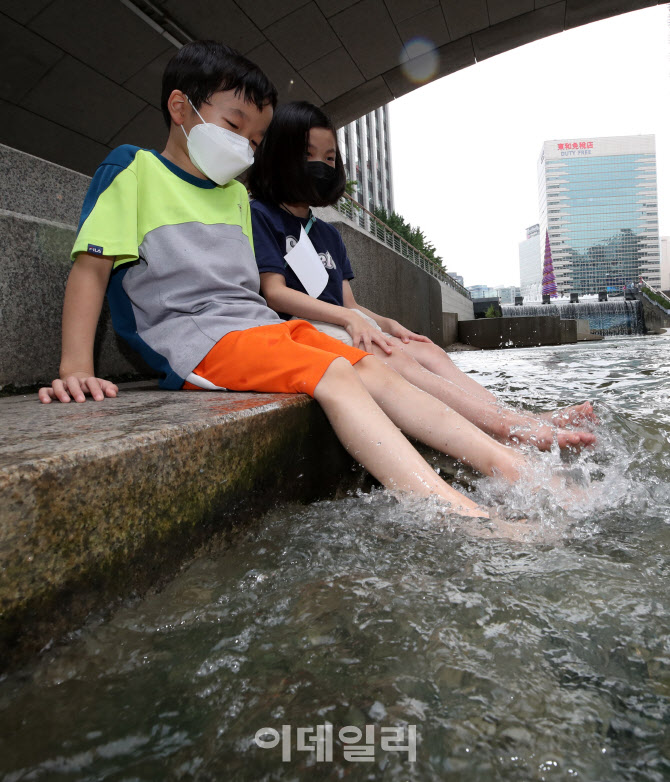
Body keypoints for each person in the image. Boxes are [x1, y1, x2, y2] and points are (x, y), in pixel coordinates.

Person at [37, 41, 542, 531]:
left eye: (255, 140)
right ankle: (458, 514)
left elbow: (248, 293)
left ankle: (514, 468)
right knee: (337, 374)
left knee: (369, 364)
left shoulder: (235, 195)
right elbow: (91, 267)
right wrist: (75, 367)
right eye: (234, 125)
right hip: (192, 337)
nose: (244, 146)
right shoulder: (133, 169)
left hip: (257, 327)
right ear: (179, 106)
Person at [247, 101, 597, 452]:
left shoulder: (329, 235)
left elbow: (349, 303)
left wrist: (389, 324)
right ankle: (508, 428)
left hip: (344, 325)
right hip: (301, 331)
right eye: (308, 154)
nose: (320, 167)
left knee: (431, 353)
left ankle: (519, 417)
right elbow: (274, 293)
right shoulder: (260, 215)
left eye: (329, 158)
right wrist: (350, 321)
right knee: (397, 358)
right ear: (279, 153)